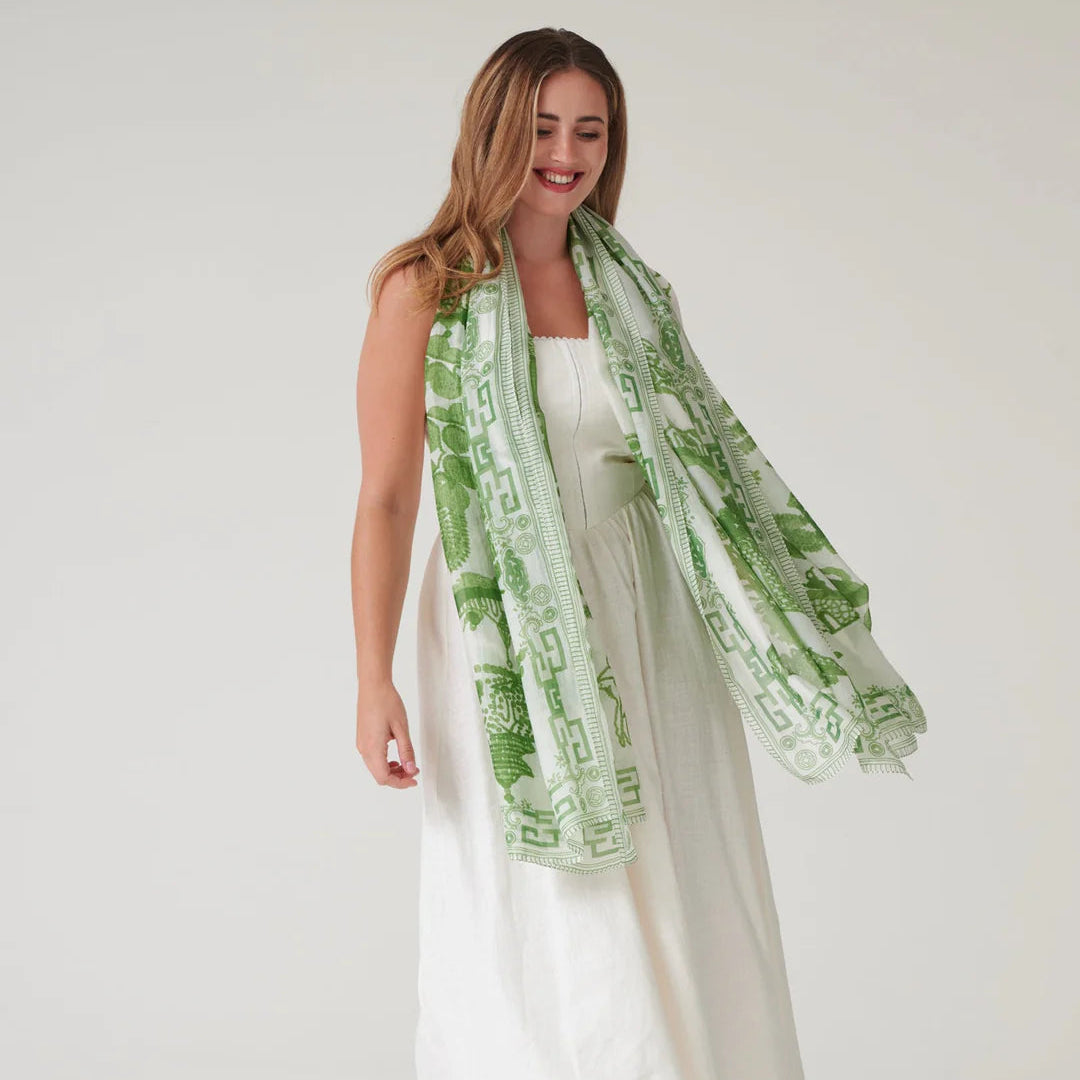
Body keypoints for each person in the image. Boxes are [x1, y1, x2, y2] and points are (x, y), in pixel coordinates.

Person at [352, 26, 925, 1080]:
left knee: (680, 875)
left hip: (648, 606)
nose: (566, 154)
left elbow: (705, 471)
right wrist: (371, 677)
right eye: (542, 128)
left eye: (591, 130)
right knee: (539, 900)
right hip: (502, 622)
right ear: (492, 132)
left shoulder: (634, 293)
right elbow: (387, 499)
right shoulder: (424, 288)